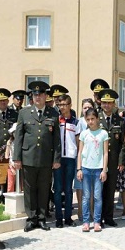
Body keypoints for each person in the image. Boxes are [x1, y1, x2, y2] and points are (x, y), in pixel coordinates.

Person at [12, 81, 61, 232]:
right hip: (28, 157)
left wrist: (56, 159)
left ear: (46, 96)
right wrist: (17, 158)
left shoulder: (53, 113)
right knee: (29, 189)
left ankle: (41, 218)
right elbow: (18, 137)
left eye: (40, 94)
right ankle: (31, 218)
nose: (37, 97)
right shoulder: (24, 113)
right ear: (32, 97)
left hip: (46, 158)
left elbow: (57, 139)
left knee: (44, 189)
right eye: (35, 95)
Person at [97, 88, 125, 227]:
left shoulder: (119, 121)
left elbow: (122, 144)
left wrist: (121, 161)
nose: (107, 105)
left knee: (110, 191)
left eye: (109, 103)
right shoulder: (96, 119)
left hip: (114, 161)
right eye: (104, 103)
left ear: (114, 104)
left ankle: (108, 217)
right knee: (99, 191)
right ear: (100, 103)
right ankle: (98, 218)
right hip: (98, 161)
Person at [77, 108, 108, 232]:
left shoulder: (103, 134)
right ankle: (86, 222)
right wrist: (79, 169)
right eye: (88, 119)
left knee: (97, 196)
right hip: (85, 168)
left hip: (98, 169)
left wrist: (104, 170)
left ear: (97, 119)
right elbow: (80, 152)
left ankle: (96, 221)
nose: (90, 122)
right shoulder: (84, 134)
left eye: (92, 119)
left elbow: (105, 153)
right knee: (86, 196)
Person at [53, 92, 79, 228]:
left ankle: (68, 217)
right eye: (60, 104)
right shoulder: (56, 120)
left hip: (70, 158)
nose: (62, 107)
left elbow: (77, 142)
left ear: (70, 105)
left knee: (68, 189)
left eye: (64, 104)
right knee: (57, 189)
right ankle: (58, 218)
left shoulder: (76, 121)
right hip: (58, 159)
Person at [74, 98, 95, 221]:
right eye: (85, 107)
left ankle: (91, 211)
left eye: (89, 107)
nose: (87, 109)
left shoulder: (95, 122)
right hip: (82, 157)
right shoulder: (80, 122)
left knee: (92, 187)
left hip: (94, 158)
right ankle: (81, 211)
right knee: (80, 186)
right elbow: (77, 141)